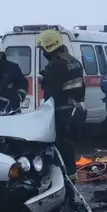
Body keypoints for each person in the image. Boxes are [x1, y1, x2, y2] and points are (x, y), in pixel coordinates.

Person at [38, 29, 85, 177]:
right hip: (75, 111)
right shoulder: (74, 61)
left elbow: (51, 93)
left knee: (61, 152)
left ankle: (65, 186)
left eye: (42, 49)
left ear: (49, 47)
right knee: (69, 150)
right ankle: (70, 181)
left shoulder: (55, 66)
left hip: (62, 113)